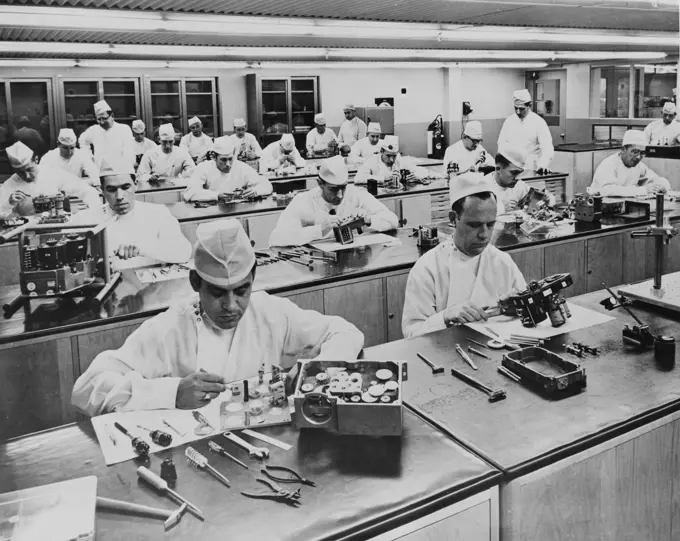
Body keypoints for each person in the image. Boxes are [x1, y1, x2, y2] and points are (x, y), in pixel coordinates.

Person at [71, 218, 364, 415]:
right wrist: (170, 393)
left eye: (241, 291)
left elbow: (345, 333)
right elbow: (87, 387)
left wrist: (314, 368)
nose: (232, 306)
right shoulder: (170, 329)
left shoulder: (271, 313)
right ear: (196, 284)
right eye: (217, 294)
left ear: (253, 281)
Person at [402, 174, 526, 338]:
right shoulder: (428, 268)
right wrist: (444, 317)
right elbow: (411, 333)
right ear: (454, 219)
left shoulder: (502, 262)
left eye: (490, 224)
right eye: (474, 225)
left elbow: (525, 311)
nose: (484, 234)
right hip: (444, 355)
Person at [72, 157, 192, 266]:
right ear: (102, 190)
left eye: (125, 188)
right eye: (111, 190)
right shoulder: (87, 219)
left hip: (150, 286)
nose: (119, 196)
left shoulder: (157, 213)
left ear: (135, 185)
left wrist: (142, 250)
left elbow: (184, 253)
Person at [269, 155, 399, 247]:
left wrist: (368, 220)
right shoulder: (303, 201)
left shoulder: (356, 194)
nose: (340, 195)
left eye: (343, 188)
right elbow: (276, 238)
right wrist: (319, 229)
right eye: (333, 189)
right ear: (320, 184)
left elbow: (393, 220)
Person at [0, 141, 100, 218]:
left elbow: (86, 190)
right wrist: (8, 203)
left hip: (56, 226)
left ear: (36, 159)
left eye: (29, 169)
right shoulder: (11, 184)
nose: (27, 176)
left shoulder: (52, 173)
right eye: (20, 172)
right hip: (27, 232)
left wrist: (93, 212)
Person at [183, 136, 273, 202]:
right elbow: (190, 193)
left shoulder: (240, 167)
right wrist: (216, 195)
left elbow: (267, 185)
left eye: (230, 159)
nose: (228, 164)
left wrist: (256, 191)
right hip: (211, 215)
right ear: (214, 157)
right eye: (223, 160)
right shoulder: (204, 168)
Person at [590, 129, 670, 197]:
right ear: (623, 150)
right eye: (635, 151)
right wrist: (643, 190)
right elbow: (607, 190)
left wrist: (661, 186)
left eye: (642, 153)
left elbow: (656, 179)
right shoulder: (609, 164)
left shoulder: (638, 166)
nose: (638, 157)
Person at [482, 147, 555, 214]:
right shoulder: (481, 186)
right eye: (514, 173)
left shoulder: (519, 185)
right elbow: (474, 218)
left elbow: (535, 198)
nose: (517, 178)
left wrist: (545, 200)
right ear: (498, 169)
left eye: (520, 173)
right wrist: (500, 208)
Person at [497, 89, 554, 174]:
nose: (518, 112)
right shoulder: (509, 121)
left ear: (529, 105)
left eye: (521, 109)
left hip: (531, 168)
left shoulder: (538, 122)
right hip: (512, 169)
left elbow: (547, 147)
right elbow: (501, 144)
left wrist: (543, 164)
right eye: (515, 108)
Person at [78, 100, 135, 169]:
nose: (102, 122)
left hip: (120, 170)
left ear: (112, 116)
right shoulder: (94, 130)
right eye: (99, 119)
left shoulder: (124, 129)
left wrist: (126, 166)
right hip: (100, 171)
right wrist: (89, 159)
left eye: (104, 119)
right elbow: (82, 140)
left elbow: (129, 153)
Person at [137, 124, 195, 189]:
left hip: (176, 188)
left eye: (170, 142)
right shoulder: (150, 154)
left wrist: (185, 175)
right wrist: (149, 177)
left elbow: (192, 170)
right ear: (159, 140)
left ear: (174, 140)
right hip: (155, 189)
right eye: (164, 142)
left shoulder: (182, 153)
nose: (167, 146)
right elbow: (140, 175)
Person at [354, 136, 428, 185]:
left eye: (394, 156)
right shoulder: (372, 161)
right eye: (388, 156)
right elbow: (358, 178)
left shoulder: (399, 160)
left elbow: (423, 171)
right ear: (381, 151)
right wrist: (383, 178)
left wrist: (416, 176)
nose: (392, 160)